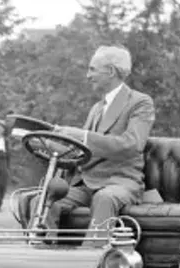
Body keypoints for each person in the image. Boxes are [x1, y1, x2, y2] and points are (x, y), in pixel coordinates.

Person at [43, 45, 156, 242]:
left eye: (92, 69)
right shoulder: (97, 108)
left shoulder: (140, 102)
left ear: (111, 71)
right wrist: (47, 145)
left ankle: (91, 264)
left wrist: (83, 135)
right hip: (85, 183)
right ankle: (42, 258)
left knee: (104, 198)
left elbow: (132, 144)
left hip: (119, 182)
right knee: (43, 199)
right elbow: (80, 152)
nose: (88, 76)